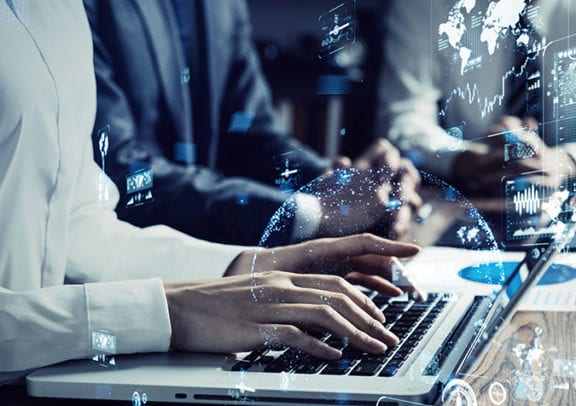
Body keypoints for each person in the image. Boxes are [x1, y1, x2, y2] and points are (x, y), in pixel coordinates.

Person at [0, 0, 420, 384]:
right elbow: (128, 172)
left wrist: (247, 268)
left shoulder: (56, 9)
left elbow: (73, 222)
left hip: (42, 389)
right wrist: (170, 311)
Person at [85, 0, 422, 246]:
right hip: (122, 279)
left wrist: (334, 183)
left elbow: (249, 133)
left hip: (217, 268)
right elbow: (116, 174)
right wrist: (313, 212)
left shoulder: (224, 7)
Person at [377, 0, 576, 194]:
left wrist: (566, 161)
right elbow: (403, 116)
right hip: (472, 195)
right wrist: (465, 159)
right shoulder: (426, 5)